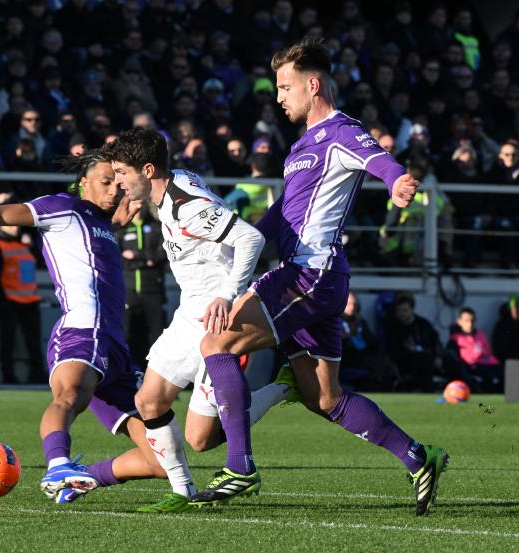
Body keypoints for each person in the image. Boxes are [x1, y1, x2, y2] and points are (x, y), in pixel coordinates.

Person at [184, 38, 448, 516]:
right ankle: (418, 456)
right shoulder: (301, 146)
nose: (279, 96)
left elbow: (379, 160)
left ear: (313, 84)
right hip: (317, 279)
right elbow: (281, 216)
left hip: (308, 274)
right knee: (323, 397)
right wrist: (231, 237)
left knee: (215, 343)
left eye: (285, 87)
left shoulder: (342, 131)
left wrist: (397, 182)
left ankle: (240, 466)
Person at [0, 149, 168, 504]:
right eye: (105, 182)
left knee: (160, 460)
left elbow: (90, 241)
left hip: (115, 346)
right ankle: (57, 465)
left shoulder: (101, 222)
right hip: (82, 330)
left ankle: (82, 479)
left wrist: (114, 221)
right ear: (82, 183)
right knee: (70, 395)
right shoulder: (61, 207)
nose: (115, 190)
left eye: (117, 183)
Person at [109, 128, 297, 512]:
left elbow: (250, 240)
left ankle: (283, 388)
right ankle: (182, 492)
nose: (118, 182)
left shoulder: (186, 204)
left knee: (201, 439)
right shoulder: (167, 190)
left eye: (123, 173)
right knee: (147, 400)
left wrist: (227, 295)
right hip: (187, 314)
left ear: (147, 170)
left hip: (216, 318)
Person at [0, 219, 45, 385]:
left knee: (33, 341)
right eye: (10, 224)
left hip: (31, 300)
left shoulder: (25, 246)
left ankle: (37, 373)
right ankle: (8, 375)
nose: (15, 226)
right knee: (8, 341)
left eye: (16, 224)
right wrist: (1, 301)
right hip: (10, 301)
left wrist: (32, 245)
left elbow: (40, 261)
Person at [114, 203, 167, 370]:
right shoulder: (121, 229)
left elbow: (162, 254)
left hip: (153, 290)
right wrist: (147, 261)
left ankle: (159, 375)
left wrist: (136, 255)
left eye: (141, 204)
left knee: (157, 334)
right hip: (128, 291)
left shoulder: (156, 228)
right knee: (129, 333)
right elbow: (117, 257)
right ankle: (131, 373)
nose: (138, 208)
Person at [385, 292, 443, 393]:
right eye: (399, 310)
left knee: (451, 360)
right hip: (406, 362)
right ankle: (428, 392)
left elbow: (435, 341)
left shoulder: (423, 324)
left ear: (412, 310)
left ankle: (469, 390)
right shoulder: (393, 327)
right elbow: (393, 351)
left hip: (429, 358)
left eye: (405, 310)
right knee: (423, 359)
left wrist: (438, 356)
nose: (402, 313)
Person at [446, 307, 503, 393]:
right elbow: (455, 357)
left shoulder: (480, 335)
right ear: (459, 321)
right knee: (487, 377)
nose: (470, 323)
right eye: (466, 320)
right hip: (472, 365)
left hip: (489, 364)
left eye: (472, 320)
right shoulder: (456, 339)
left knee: (505, 374)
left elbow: (488, 352)